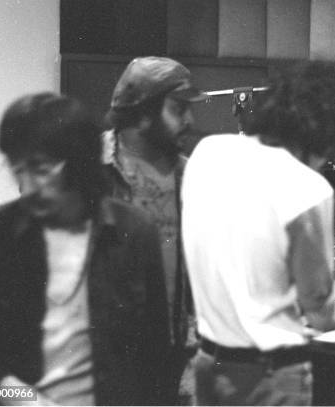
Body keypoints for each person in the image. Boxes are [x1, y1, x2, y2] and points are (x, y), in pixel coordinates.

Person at [181, 62, 335, 406]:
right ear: (322, 132)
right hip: (270, 375)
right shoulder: (308, 188)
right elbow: (321, 314)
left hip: (208, 366)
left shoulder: (207, 152)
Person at [0, 93, 172, 405]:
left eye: (41, 168)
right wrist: (18, 397)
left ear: (78, 161)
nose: (28, 184)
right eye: (17, 168)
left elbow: (156, 357)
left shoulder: (132, 231)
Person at [102, 56, 206, 402]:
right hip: (105, 358)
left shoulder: (192, 176)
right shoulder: (89, 169)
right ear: (143, 113)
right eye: (178, 109)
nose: (190, 121)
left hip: (172, 356)